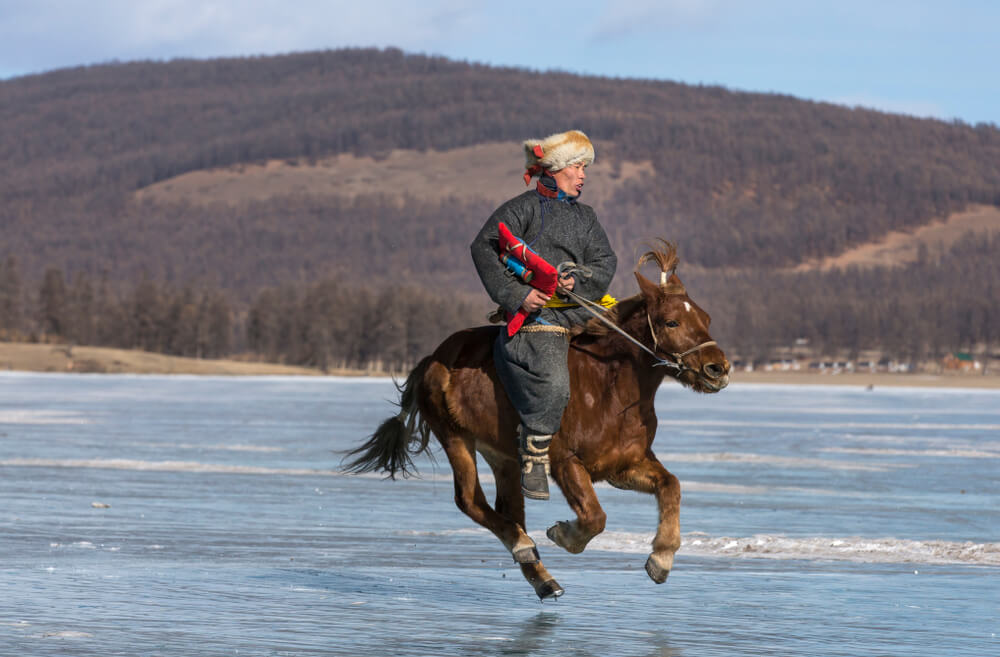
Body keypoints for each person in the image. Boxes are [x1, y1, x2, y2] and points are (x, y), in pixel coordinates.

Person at [470, 130, 617, 500]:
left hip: (583, 308)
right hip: (537, 319)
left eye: (585, 168)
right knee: (554, 383)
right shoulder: (521, 209)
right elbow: (484, 247)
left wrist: (578, 281)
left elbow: (605, 260)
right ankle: (534, 453)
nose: (583, 175)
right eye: (578, 167)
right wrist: (519, 295)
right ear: (556, 169)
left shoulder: (586, 216)